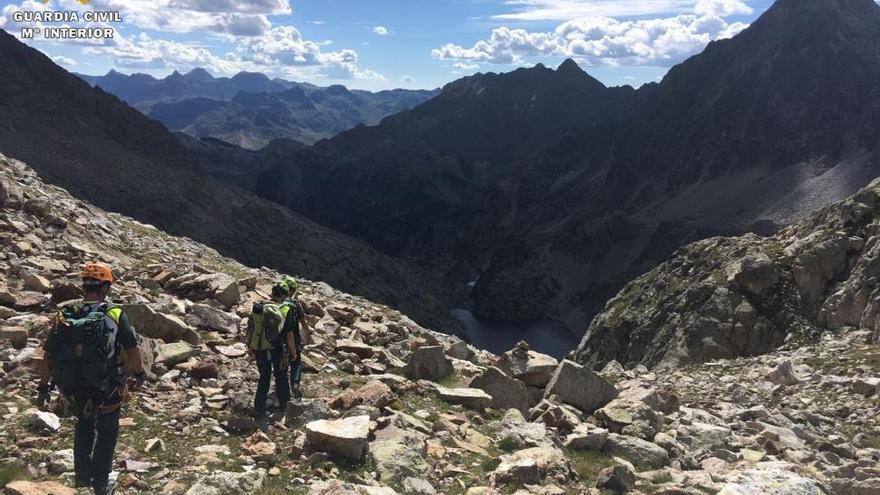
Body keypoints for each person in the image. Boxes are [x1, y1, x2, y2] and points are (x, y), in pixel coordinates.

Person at [37, 263, 146, 495]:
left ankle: (82, 478)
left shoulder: (65, 315)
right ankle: (101, 483)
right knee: (107, 432)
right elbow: (133, 349)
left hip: (74, 385)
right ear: (105, 287)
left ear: (84, 287)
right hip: (106, 385)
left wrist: (43, 387)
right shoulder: (114, 314)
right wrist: (139, 374)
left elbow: (47, 356)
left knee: (83, 426)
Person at [244, 283, 288, 417]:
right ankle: (284, 405)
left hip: (258, 348)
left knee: (264, 378)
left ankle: (258, 408)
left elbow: (250, 327)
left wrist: (250, 346)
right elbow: (282, 333)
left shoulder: (259, 307)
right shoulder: (277, 310)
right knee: (280, 376)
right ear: (284, 296)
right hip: (274, 347)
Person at [279, 278, 311, 399]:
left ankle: (282, 392)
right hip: (294, 337)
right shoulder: (296, 304)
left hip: (277, 339)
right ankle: (295, 383)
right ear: (292, 291)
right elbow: (303, 322)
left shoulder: (276, 304)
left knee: (281, 365)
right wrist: (307, 335)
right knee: (296, 362)